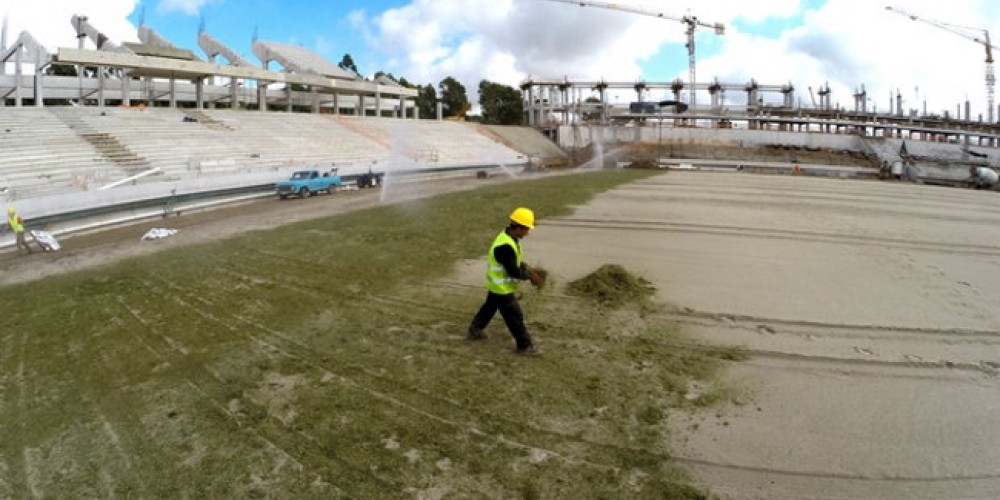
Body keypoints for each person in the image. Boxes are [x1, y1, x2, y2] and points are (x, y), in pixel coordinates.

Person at [467, 207, 545, 356]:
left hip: (496, 285)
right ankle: (525, 346)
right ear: (519, 227)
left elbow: (516, 262)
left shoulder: (510, 238)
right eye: (527, 229)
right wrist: (530, 277)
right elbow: (514, 272)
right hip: (502, 288)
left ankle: (475, 330)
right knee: (515, 317)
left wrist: (529, 269)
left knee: (489, 308)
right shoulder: (505, 246)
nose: (528, 232)